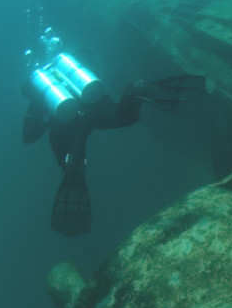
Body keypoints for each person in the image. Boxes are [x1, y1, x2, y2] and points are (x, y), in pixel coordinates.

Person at [22, 58, 204, 237]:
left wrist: (40, 111)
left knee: (72, 163)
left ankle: (71, 166)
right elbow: (95, 72)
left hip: (69, 125)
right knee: (124, 116)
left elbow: (28, 137)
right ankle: (135, 91)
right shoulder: (70, 71)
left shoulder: (41, 98)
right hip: (93, 109)